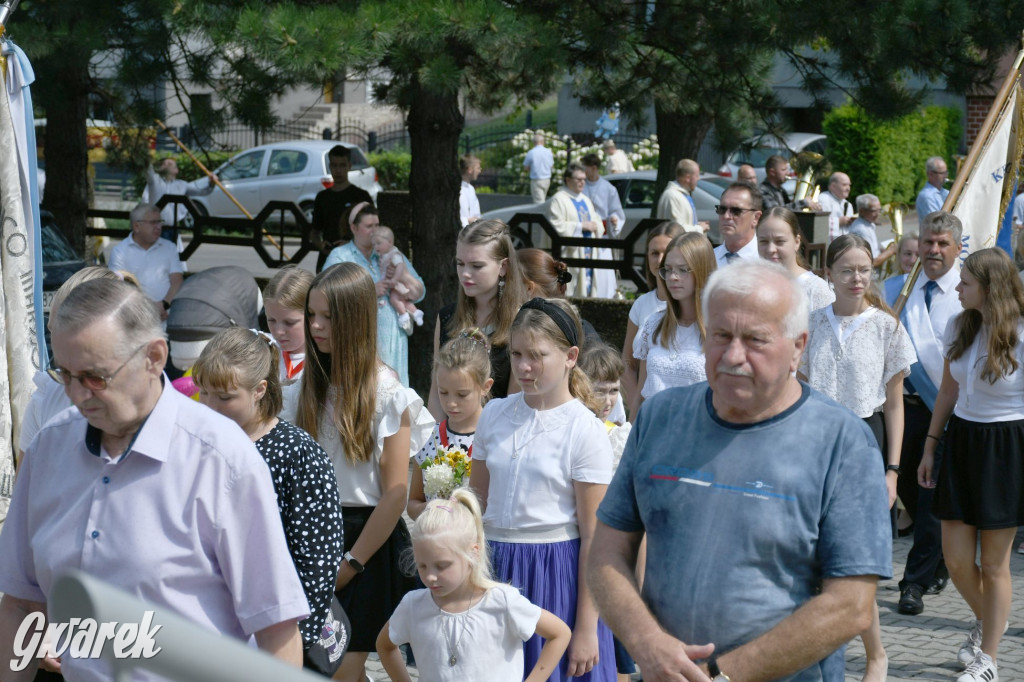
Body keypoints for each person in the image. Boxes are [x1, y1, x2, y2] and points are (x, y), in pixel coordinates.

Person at [589, 260, 892, 682]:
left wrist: (718, 676)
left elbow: (851, 605)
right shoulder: (661, 418)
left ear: (798, 347)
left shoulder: (843, 442)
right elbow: (606, 554)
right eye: (721, 336)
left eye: (755, 340)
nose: (733, 356)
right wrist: (646, 643)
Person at [0, 279, 310, 680]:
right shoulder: (48, 451)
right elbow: (22, 604)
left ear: (154, 356)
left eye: (95, 376)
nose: (78, 394)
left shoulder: (223, 460)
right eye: (66, 374)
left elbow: (276, 629)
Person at [282, 262, 433, 682]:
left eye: (328, 316)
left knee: (341, 671)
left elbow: (395, 493)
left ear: (355, 319)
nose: (315, 326)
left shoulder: (388, 394)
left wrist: (351, 562)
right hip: (311, 537)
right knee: (324, 669)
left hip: (367, 545)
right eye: (312, 314)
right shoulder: (300, 389)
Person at [470, 297, 616, 682]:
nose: (523, 366)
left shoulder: (583, 429)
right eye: (517, 354)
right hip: (494, 569)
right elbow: (475, 506)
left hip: (556, 575)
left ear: (570, 356)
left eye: (536, 356)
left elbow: (595, 538)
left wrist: (586, 627)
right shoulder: (495, 414)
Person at [798, 234, 916, 682]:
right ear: (828, 273)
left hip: (866, 443)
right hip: (816, 444)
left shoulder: (887, 327)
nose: (856, 278)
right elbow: (799, 393)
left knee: (857, 564)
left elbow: (895, 405)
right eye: (846, 269)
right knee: (818, 561)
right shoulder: (811, 324)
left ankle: (876, 655)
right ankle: (814, 654)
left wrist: (892, 470)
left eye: (864, 269)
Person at [193, 327, 345, 667]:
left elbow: (317, 563)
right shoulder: (194, 445)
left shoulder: (298, 455)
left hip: (270, 640)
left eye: (225, 396)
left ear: (260, 389)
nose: (210, 407)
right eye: (203, 394)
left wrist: (288, 648)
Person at [918, 248, 1024, 682]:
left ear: (989, 288)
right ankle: (988, 621)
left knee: (996, 564)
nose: (957, 289)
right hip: (961, 441)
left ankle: (989, 660)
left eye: (965, 283)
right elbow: (947, 391)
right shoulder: (958, 324)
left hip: (1008, 446)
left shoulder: (1020, 331)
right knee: (957, 560)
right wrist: (930, 445)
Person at [378, 489, 572, 682]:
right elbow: (384, 646)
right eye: (422, 565)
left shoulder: (501, 601)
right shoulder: (413, 605)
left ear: (473, 553)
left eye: (442, 566)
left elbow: (559, 634)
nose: (430, 576)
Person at [884, 211, 963, 616]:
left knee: (930, 500)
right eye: (928, 243)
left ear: (958, 248)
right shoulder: (897, 288)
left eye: (942, 243)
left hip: (947, 414)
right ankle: (941, 561)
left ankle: (912, 582)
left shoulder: (968, 293)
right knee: (912, 496)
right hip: (903, 410)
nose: (933, 250)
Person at [17, 267, 141, 463]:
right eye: (54, 336)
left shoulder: (148, 411)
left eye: (74, 344)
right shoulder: (47, 395)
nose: (61, 359)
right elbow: (25, 486)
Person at [429, 220, 529, 418]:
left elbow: (515, 402)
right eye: (460, 263)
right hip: (450, 443)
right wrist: (436, 443)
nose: (465, 273)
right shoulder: (447, 316)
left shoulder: (522, 322)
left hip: (498, 437)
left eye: (476, 265)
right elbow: (436, 389)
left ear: (503, 267)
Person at [325, 203, 425, 386]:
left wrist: (402, 274)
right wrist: (370, 291)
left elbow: (420, 293)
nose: (375, 231)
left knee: (395, 395)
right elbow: (327, 296)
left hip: (394, 340)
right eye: (369, 226)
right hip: (359, 342)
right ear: (354, 228)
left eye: (377, 225)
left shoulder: (391, 253)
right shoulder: (341, 256)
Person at [408, 330, 493, 520]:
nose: (451, 403)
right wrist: (434, 508)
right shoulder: (429, 437)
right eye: (443, 392)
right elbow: (413, 503)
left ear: (485, 387)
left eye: (462, 394)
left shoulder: (496, 437)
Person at [633, 232, 715, 403]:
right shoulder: (653, 324)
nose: (672, 277)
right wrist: (632, 428)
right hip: (653, 425)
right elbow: (642, 392)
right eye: (668, 270)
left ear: (702, 271)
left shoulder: (719, 329)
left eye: (683, 270)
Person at [620, 222, 686, 417]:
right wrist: (636, 406)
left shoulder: (694, 306)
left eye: (665, 252)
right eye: (653, 253)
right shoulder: (641, 304)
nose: (659, 260)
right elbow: (627, 363)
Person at [108, 202, 183, 321]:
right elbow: (118, 287)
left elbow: (177, 281)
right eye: (153, 222)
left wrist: (163, 305)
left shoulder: (169, 248)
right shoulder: (120, 251)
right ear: (136, 226)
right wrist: (148, 310)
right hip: (133, 317)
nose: (159, 227)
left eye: (160, 222)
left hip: (165, 317)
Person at [547, 162, 607, 298]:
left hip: (588, 252)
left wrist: (595, 225)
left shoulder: (585, 200)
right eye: (578, 179)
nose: (582, 183)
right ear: (568, 180)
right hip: (571, 255)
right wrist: (581, 226)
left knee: (588, 288)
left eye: (584, 179)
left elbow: (596, 219)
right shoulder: (559, 199)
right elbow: (555, 225)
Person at [757, 206, 834, 311]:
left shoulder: (816, 291)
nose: (771, 249)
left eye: (780, 241)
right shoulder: (751, 285)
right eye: (764, 241)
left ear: (797, 242)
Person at [312, 144, 374, 271]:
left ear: (349, 166)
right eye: (334, 165)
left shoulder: (361, 196)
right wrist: (321, 245)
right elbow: (314, 232)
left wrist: (351, 244)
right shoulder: (322, 197)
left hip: (354, 261)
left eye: (342, 165)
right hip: (328, 259)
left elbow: (372, 232)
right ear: (329, 167)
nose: (338, 170)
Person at [143, 156, 216, 244]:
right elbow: (147, 168)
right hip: (154, 228)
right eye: (164, 163)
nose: (167, 164)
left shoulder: (182, 185)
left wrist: (211, 183)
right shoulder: (154, 181)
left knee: (172, 255)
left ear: (176, 170)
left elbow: (202, 192)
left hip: (173, 229)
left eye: (170, 164)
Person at [263, 265, 314, 385]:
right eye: (271, 320)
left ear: (312, 315)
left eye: (289, 322)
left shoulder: (325, 362)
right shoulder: (262, 353)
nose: (279, 331)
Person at [373, 225, 425, 331]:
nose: (375, 247)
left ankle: (403, 316)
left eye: (378, 243)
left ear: (390, 242)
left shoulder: (394, 254)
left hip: (398, 285)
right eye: (374, 244)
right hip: (394, 286)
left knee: (394, 299)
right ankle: (415, 313)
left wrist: (395, 279)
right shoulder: (382, 256)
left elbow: (400, 266)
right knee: (401, 301)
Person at [714, 182, 763, 266]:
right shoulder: (707, 259)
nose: (726, 216)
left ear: (756, 218)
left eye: (736, 211)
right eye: (722, 209)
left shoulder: (766, 260)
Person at [656, 159, 709, 234]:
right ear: (688, 178)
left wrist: (697, 225)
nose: (698, 178)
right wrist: (699, 228)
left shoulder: (682, 195)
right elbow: (675, 229)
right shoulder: (672, 196)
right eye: (697, 175)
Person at [581, 153, 625, 238]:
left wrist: (614, 218)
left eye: (585, 168)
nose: (582, 172)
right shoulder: (580, 185)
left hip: (601, 235)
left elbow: (615, 210)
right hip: (584, 232)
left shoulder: (608, 188)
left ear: (594, 168)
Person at [849, 193, 896, 268]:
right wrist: (891, 251)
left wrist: (882, 251)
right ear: (861, 211)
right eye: (874, 211)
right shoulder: (862, 230)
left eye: (879, 210)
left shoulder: (869, 224)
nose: (878, 214)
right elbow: (872, 262)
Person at [816, 172, 855, 241]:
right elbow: (819, 223)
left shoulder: (848, 204)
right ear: (833, 186)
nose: (848, 188)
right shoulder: (823, 199)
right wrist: (839, 221)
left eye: (849, 185)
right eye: (844, 185)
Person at [523, 133, 555, 203]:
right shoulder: (548, 152)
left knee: (539, 202)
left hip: (536, 179)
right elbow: (551, 166)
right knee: (543, 199)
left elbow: (526, 168)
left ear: (534, 143)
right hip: (547, 179)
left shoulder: (531, 152)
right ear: (542, 142)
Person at [915, 156, 949, 220]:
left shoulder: (946, 192)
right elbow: (937, 223)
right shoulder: (926, 196)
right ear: (930, 174)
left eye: (946, 172)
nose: (946, 176)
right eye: (942, 173)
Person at [460, 154, 483, 227]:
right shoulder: (457, 189)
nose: (480, 171)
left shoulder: (471, 189)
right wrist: (467, 221)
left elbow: (477, 214)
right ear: (470, 170)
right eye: (478, 168)